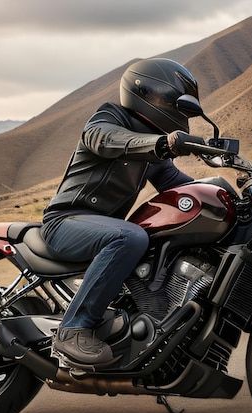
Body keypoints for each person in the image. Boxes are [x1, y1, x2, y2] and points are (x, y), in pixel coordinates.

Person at [41, 58, 204, 368]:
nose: (178, 112)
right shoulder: (109, 117)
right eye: (175, 103)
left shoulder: (153, 149)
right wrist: (160, 144)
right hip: (64, 222)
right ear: (151, 93)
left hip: (102, 227)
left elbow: (178, 184)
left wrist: (224, 194)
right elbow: (105, 140)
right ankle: (73, 328)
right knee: (130, 236)